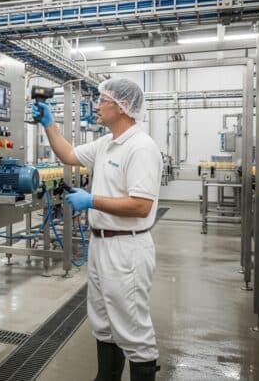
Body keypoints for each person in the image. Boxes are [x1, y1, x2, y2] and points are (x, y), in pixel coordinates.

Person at [32, 78, 162, 381]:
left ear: (122, 106)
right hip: (101, 244)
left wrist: (92, 200)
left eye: (102, 100)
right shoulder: (106, 143)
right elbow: (69, 155)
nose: (96, 106)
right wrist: (49, 124)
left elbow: (141, 206)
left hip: (127, 249)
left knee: (132, 328)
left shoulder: (141, 147)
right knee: (103, 321)